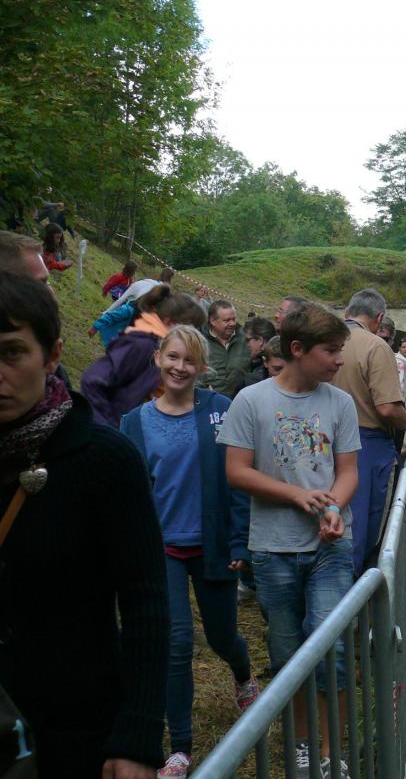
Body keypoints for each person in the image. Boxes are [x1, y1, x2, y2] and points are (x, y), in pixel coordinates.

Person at [0, 270, 169, 777]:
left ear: (51, 356)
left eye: (12, 353)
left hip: (73, 730)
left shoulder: (103, 459)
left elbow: (145, 601)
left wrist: (137, 736)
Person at [218, 303, 359, 776]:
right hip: (273, 549)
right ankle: (302, 743)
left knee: (332, 647)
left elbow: (347, 472)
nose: (339, 360)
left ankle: (331, 749)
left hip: (330, 549)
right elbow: (236, 472)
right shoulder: (251, 402)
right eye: (331, 351)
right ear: (298, 350)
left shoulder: (339, 403)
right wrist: (296, 495)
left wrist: (334, 507)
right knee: (288, 654)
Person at [120, 326, 259, 778]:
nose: (180, 367)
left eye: (189, 361)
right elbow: (133, 494)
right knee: (176, 644)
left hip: (213, 545)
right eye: (173, 357)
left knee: (222, 637)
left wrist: (240, 540)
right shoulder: (134, 422)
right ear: (159, 358)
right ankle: (178, 746)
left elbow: (237, 481)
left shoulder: (220, 411)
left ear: (202, 368)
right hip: (162, 547)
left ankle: (242, 673)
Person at [330, 288, 406, 574]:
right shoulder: (375, 346)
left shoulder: (327, 342)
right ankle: (355, 602)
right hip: (365, 443)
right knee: (361, 526)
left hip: (323, 438)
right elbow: (387, 408)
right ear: (379, 318)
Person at [81, 285, 207, 427]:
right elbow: (92, 380)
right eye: (191, 329)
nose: (193, 335)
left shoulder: (159, 347)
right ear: (170, 322)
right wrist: (108, 426)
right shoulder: (142, 345)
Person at [201, 300, 252, 400]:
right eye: (227, 320)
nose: (232, 323)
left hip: (240, 403)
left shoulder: (246, 338)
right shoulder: (200, 340)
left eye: (234, 319)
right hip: (209, 403)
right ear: (212, 321)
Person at [106, 267, 176, 312]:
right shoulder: (164, 290)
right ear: (170, 278)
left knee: (122, 300)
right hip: (140, 306)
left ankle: (107, 312)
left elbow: (120, 300)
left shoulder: (148, 280)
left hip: (135, 297)